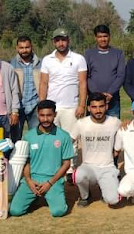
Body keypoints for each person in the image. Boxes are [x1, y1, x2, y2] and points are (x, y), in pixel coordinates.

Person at [9, 100, 74, 217]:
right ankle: (34, 198)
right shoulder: (29, 136)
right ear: (37, 115)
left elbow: (66, 164)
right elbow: (26, 161)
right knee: (15, 211)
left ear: (55, 114)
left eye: (49, 115)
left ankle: (51, 196)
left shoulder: (64, 136)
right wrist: (29, 181)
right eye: (42, 115)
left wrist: (50, 183)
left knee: (58, 212)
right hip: (33, 180)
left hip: (53, 180)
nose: (45, 119)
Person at [39, 28, 87, 180]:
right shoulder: (47, 60)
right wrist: (42, 105)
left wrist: (81, 105)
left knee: (70, 139)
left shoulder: (78, 58)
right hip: (53, 107)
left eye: (64, 39)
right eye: (58, 40)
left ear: (68, 40)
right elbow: (44, 83)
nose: (61, 43)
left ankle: (70, 170)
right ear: (54, 42)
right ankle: (54, 167)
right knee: (52, 139)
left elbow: (83, 83)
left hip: (71, 106)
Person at [70, 93, 121, 207]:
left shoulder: (115, 122)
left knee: (113, 200)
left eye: (101, 106)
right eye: (94, 107)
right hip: (88, 166)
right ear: (88, 108)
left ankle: (106, 189)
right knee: (78, 175)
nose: (98, 110)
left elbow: (128, 132)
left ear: (106, 107)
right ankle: (85, 196)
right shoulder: (81, 123)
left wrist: (127, 123)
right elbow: (69, 141)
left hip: (108, 167)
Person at [84, 25, 126, 118]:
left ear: (109, 36)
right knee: (92, 129)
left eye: (105, 36)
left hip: (112, 100)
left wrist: (110, 93)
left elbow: (121, 75)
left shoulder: (118, 53)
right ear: (95, 38)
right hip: (94, 101)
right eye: (100, 37)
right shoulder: (89, 54)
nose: (103, 39)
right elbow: (87, 76)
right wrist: (98, 94)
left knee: (113, 129)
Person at [10, 36, 41, 140]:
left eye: (27, 47)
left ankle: (34, 156)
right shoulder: (11, 64)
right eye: (21, 47)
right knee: (15, 138)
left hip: (34, 105)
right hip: (18, 106)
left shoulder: (40, 63)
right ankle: (15, 156)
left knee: (35, 137)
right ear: (17, 48)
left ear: (31, 47)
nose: (24, 50)